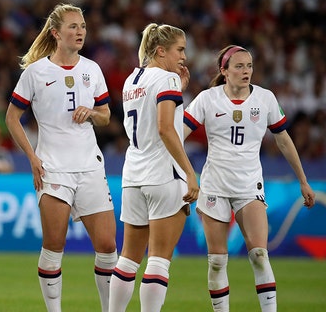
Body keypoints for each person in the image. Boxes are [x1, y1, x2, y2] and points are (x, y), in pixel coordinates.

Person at [183, 45, 316, 312]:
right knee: (217, 260)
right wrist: (185, 175)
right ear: (224, 71)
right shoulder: (207, 99)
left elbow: (284, 141)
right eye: (239, 66)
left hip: (249, 185)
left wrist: (303, 180)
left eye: (250, 66)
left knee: (259, 254)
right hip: (214, 186)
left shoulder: (265, 99)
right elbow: (176, 137)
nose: (247, 71)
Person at [4, 3, 118, 312]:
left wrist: (92, 112)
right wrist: (32, 157)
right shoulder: (36, 72)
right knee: (55, 245)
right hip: (52, 167)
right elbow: (12, 118)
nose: (80, 31)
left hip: (90, 166)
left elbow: (106, 115)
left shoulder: (92, 69)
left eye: (82, 26)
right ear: (56, 33)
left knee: (108, 246)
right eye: (73, 26)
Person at [108, 23, 199, 312]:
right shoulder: (167, 80)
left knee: (128, 259)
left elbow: (151, 120)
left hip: (133, 173)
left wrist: (178, 93)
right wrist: (189, 171)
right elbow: (164, 129)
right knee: (159, 260)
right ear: (161, 51)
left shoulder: (132, 80)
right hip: (163, 175)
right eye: (180, 50)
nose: (184, 56)